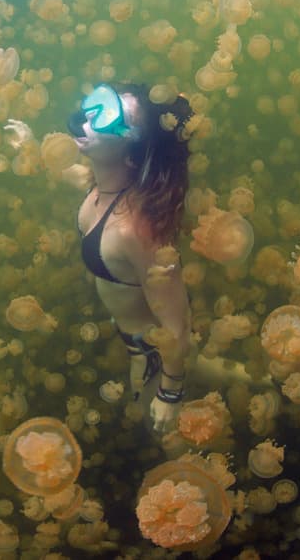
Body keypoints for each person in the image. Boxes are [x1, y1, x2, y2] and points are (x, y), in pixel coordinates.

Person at [68, 83, 194, 432]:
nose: (89, 121)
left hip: (149, 354)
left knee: (163, 438)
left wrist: (171, 394)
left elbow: (177, 325)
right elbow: (65, 169)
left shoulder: (133, 231)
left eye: (108, 119)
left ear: (131, 155)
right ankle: (257, 379)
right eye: (96, 106)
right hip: (134, 336)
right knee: (212, 368)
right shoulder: (98, 183)